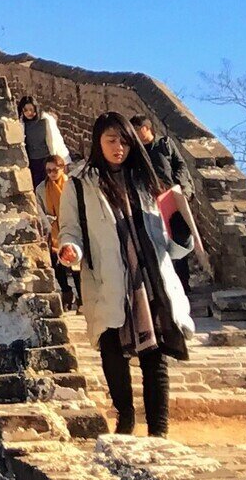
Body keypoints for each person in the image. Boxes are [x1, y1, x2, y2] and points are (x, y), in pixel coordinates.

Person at [58, 111, 195, 438]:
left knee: (156, 355)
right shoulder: (80, 186)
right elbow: (70, 231)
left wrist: (182, 236)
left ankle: (159, 431)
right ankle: (126, 417)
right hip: (109, 279)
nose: (118, 147)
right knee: (112, 352)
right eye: (111, 140)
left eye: (124, 141)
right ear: (98, 142)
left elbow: (171, 243)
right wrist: (70, 250)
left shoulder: (149, 181)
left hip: (151, 278)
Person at [129, 112, 198, 292]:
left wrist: (180, 187)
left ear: (146, 128)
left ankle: (183, 282)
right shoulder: (135, 152)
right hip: (149, 201)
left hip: (170, 198)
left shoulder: (164, 144)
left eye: (137, 130)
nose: (135, 134)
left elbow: (180, 165)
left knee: (177, 238)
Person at [36, 154, 81, 309]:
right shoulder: (41, 188)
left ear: (62, 168)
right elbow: (39, 210)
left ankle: (81, 298)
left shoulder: (71, 185)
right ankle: (66, 292)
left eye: (55, 170)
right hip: (53, 231)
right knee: (58, 264)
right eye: (48, 171)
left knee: (75, 264)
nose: (52, 174)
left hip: (72, 227)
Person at [18, 96, 67, 181]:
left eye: (31, 109)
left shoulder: (45, 121)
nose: (29, 112)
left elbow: (56, 141)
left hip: (47, 160)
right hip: (32, 162)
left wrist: (63, 160)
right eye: (25, 110)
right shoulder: (21, 124)